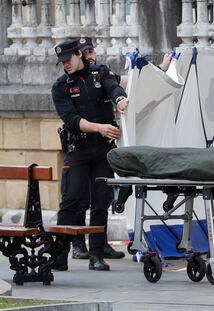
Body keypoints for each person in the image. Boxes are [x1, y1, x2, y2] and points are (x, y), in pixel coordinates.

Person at [51, 39, 129, 271]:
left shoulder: (99, 72)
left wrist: (120, 99)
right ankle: (60, 253)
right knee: (72, 199)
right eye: (62, 62)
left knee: (100, 202)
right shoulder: (60, 86)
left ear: (79, 55)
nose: (65, 65)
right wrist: (99, 127)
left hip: (102, 149)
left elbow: (113, 86)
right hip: (78, 148)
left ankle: (96, 254)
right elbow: (72, 120)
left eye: (68, 59)